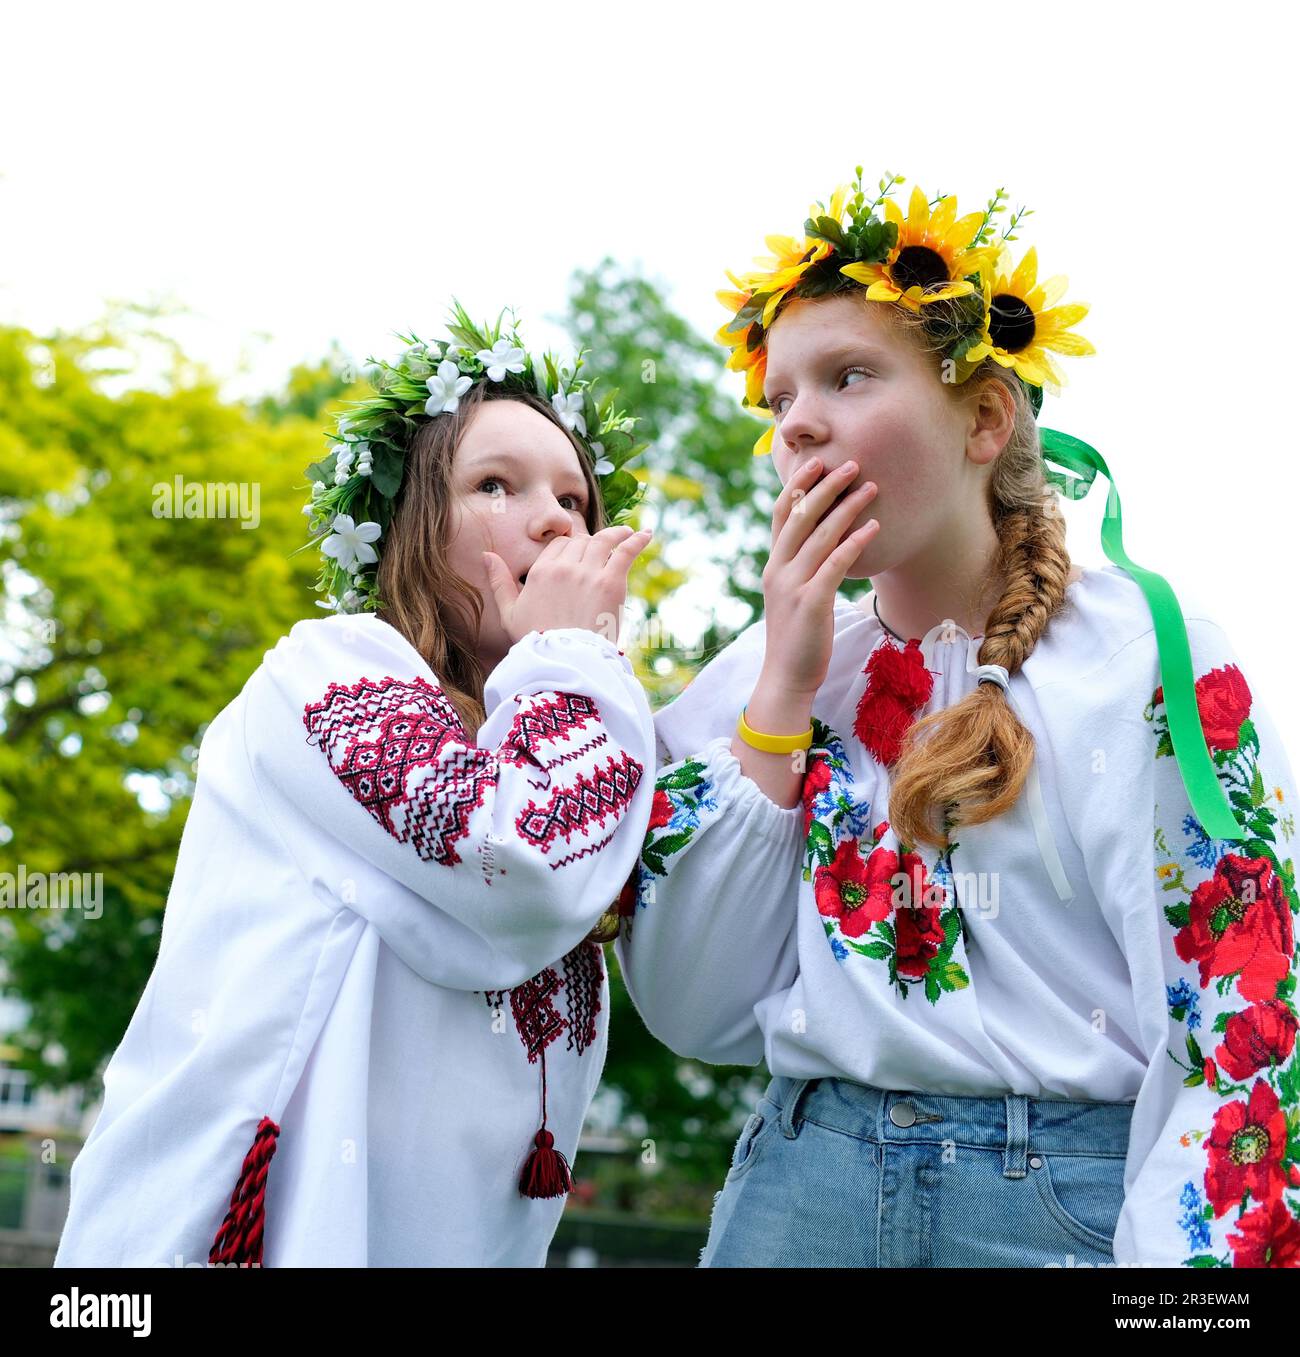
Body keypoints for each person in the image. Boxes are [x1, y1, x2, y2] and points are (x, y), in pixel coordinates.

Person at [614, 170, 1300, 1268]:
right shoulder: (765, 674)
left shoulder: (1144, 657)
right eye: (777, 400)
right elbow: (692, 1007)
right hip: (794, 1197)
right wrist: (784, 692)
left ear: (985, 416)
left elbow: (1244, 1025)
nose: (797, 425)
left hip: (1059, 1213)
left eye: (847, 376)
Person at [54, 304, 658, 1267]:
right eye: (494, 483)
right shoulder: (331, 668)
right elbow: (522, 854)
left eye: (575, 500)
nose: (553, 516)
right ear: (410, 532)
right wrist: (574, 650)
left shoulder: (589, 719)